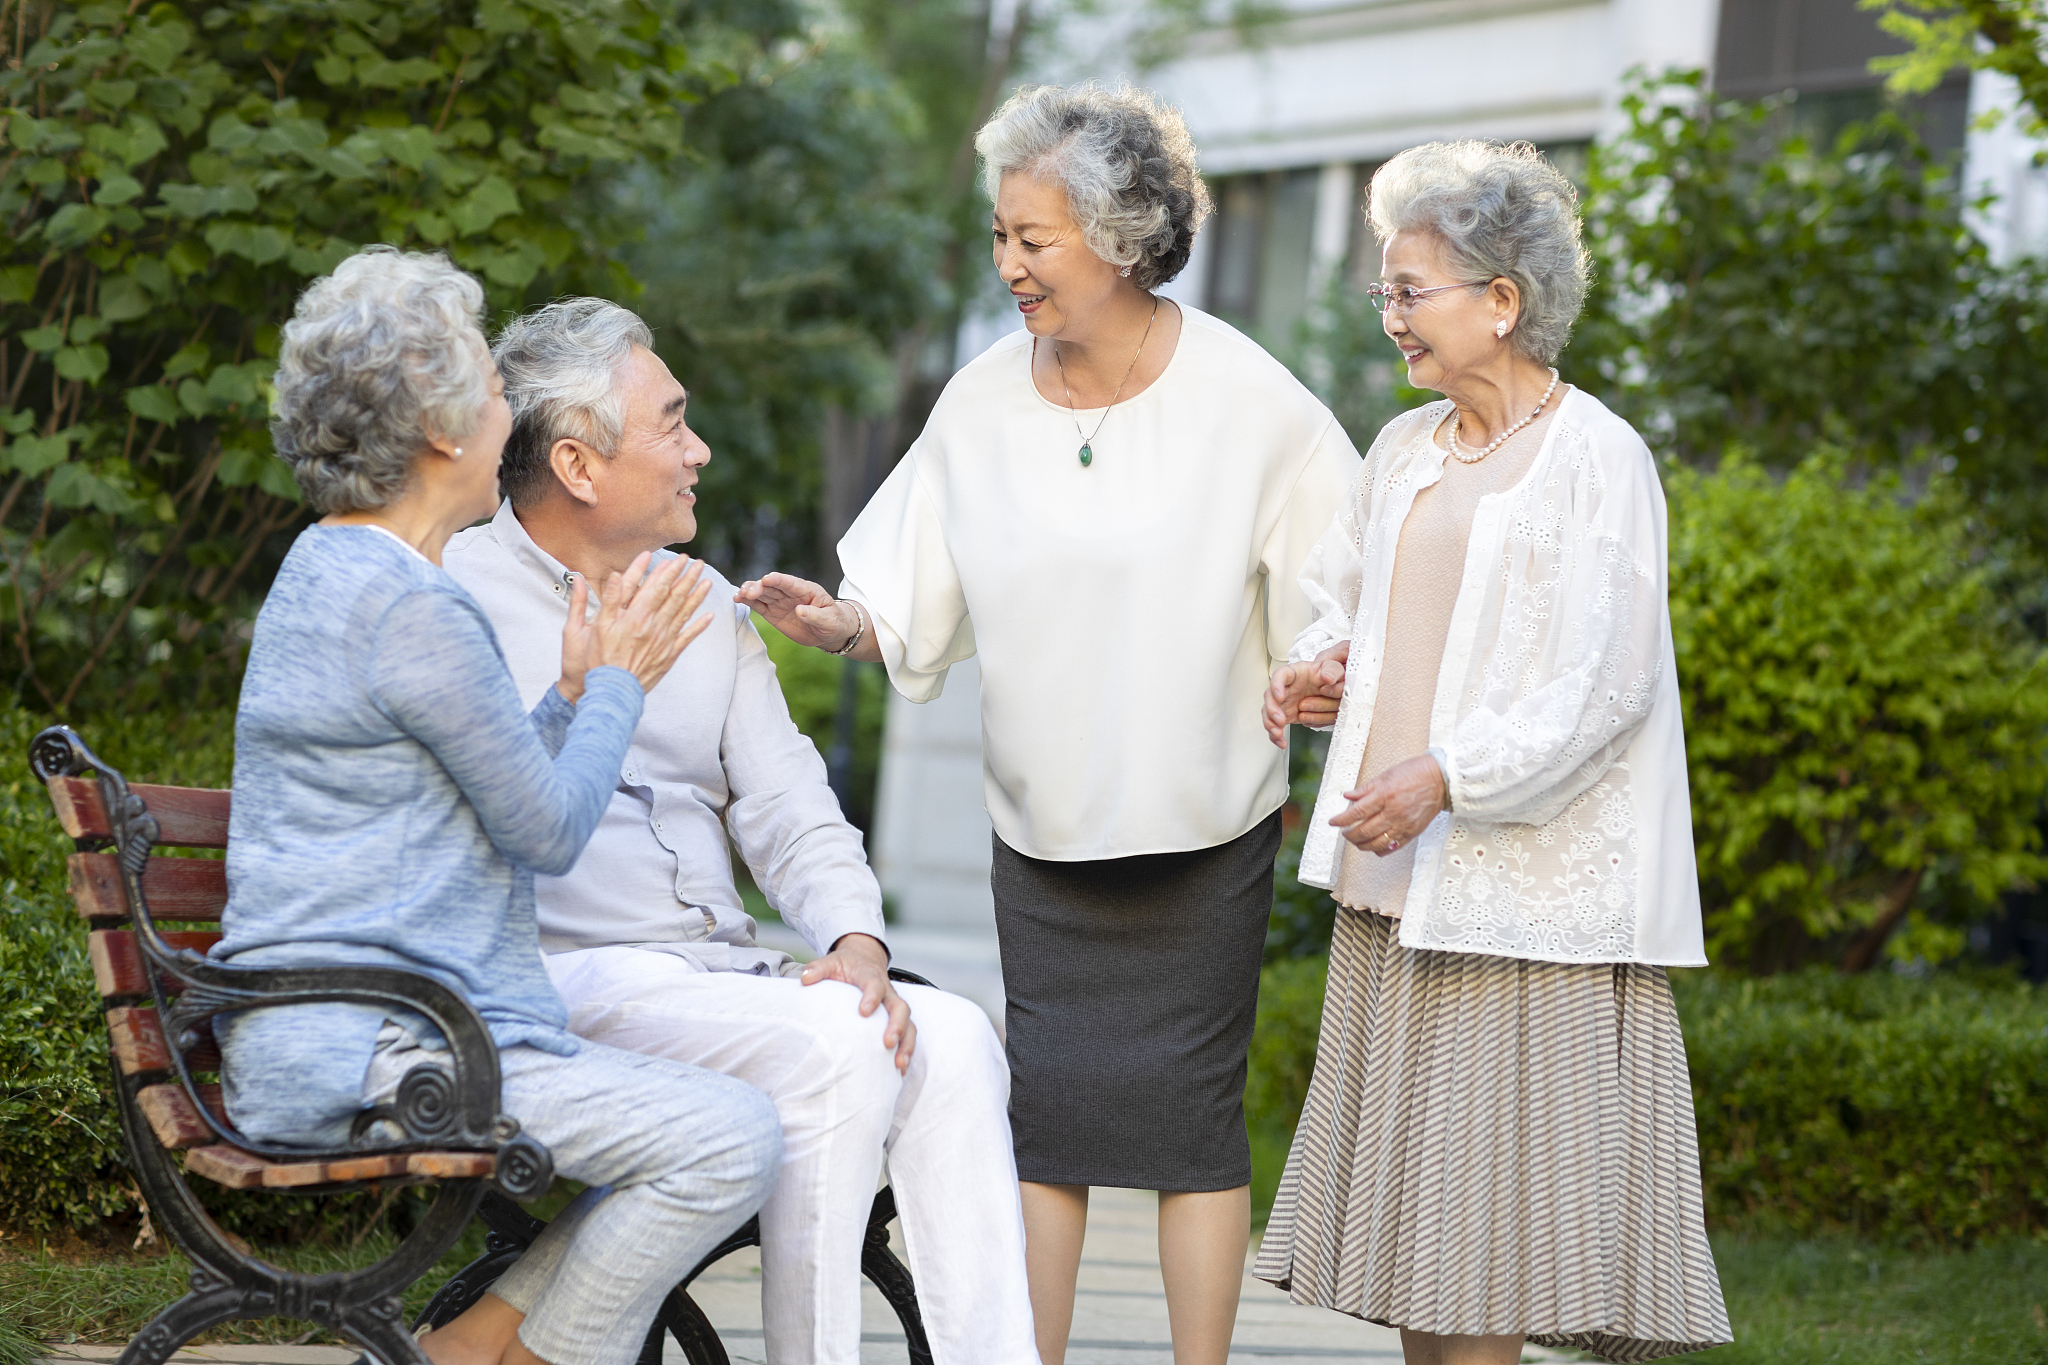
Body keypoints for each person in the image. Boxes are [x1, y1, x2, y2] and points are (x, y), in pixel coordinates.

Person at [738, 83, 1359, 1365]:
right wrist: (838, 624)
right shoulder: (980, 404)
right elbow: (907, 598)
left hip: (1203, 823)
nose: (1009, 265)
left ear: (1122, 240)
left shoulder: (1248, 400)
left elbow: (1341, 592)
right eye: (1000, 237)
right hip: (1040, 831)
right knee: (1049, 1125)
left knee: (1190, 1132)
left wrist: (1321, 670)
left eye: (1034, 239)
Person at [439, 298, 1038, 1365]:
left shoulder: (704, 601)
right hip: (558, 976)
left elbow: (789, 804)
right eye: (672, 422)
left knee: (952, 1042)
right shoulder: (455, 598)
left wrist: (855, 940)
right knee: (839, 1045)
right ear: (578, 465)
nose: (699, 450)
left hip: (711, 975)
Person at [211, 247, 783, 1365]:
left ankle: (474, 1347)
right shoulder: (410, 606)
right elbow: (548, 831)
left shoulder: (343, 571)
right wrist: (616, 682)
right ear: (439, 429)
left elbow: (494, 798)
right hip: (371, 1048)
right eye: (488, 391)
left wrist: (568, 698)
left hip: (345, 1027)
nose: (507, 416)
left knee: (707, 1129)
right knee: (728, 1139)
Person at [1256, 141, 1733, 1365]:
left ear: (1502, 300)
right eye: (1385, 290)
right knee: (1424, 1254)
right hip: (1395, 896)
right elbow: (1344, 600)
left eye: (1408, 290)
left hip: (1519, 912)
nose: (1389, 315)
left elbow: (1608, 682)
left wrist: (1447, 778)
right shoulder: (1403, 450)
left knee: (1486, 1256)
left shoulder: (1596, 457)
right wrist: (1317, 665)